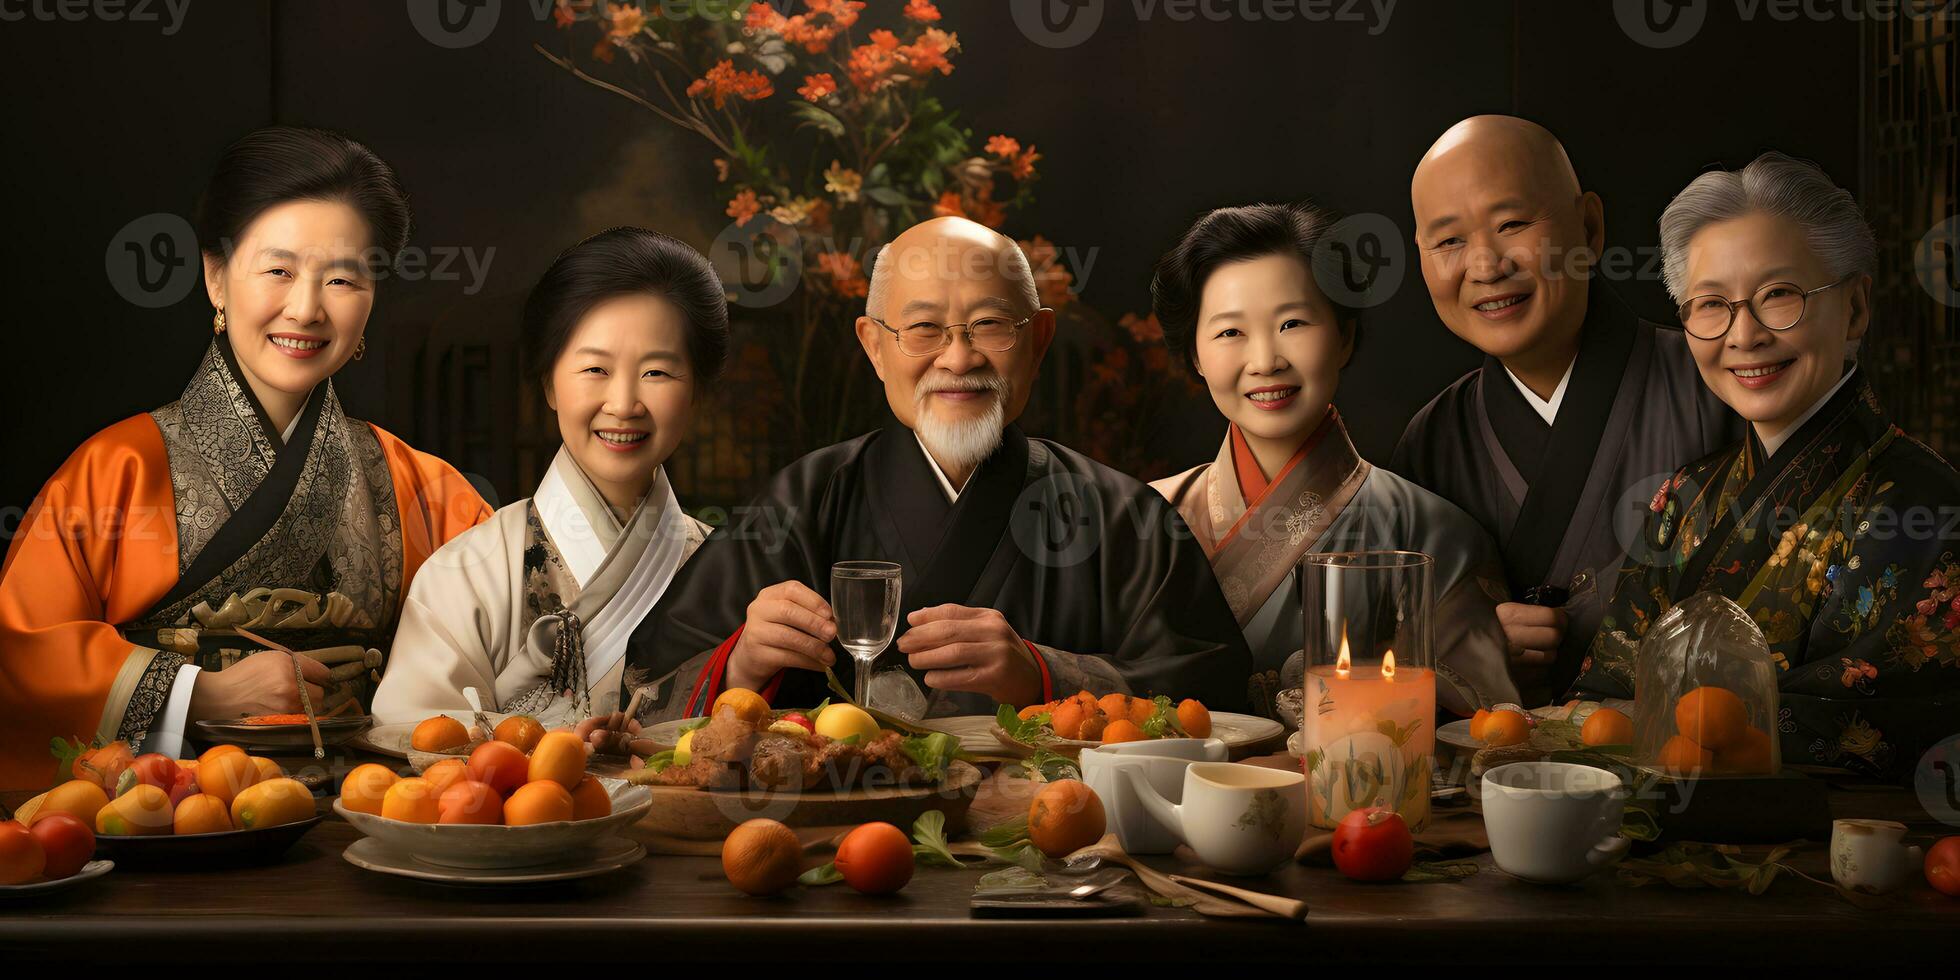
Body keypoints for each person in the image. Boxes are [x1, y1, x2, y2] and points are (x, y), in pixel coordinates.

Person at [0, 127, 489, 790]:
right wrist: (198, 695)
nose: (307, 308)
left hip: (368, 826)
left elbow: (510, 651)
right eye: (279, 270)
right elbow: (20, 654)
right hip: (160, 827)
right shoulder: (114, 471)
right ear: (216, 277)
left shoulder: (424, 486)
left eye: (343, 277)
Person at [622, 216, 1251, 722]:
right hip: (836, 852)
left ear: (1038, 341)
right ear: (873, 345)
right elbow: (646, 688)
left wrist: (1043, 676)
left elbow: (1217, 697)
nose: (957, 357)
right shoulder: (805, 498)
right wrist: (743, 664)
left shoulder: (1124, 517)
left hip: (1060, 855)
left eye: (991, 326)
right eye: (923, 328)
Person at [1568, 152, 1960, 778]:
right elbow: (1606, 693)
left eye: (1779, 295)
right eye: (1710, 304)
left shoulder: (1926, 507)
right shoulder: (1684, 496)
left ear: (1855, 308)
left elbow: (1892, 722)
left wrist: (1683, 724)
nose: (1743, 335)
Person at [1390, 115, 1740, 701]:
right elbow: (1389, 652)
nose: (1484, 265)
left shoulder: (1715, 383)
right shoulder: (1432, 442)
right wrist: (1472, 650)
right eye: (1450, 240)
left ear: (1590, 227)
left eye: (1513, 224)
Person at [1147, 202, 1519, 718]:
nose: (1265, 361)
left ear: (1343, 337)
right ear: (1194, 356)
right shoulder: (1145, 517)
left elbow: (1487, 725)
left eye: (1292, 322)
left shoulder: (1435, 535)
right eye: (1230, 332)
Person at [372, 228, 726, 729]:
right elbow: (415, 740)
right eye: (595, 370)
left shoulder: (727, 573)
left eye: (657, 373)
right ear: (549, 384)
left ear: (697, 395)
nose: (623, 404)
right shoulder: (467, 575)